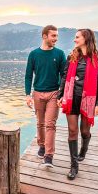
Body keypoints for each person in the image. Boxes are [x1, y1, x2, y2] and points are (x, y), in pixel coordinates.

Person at [57, 28, 98, 179]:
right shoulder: (72, 56)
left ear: (86, 38)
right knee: (72, 131)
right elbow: (65, 77)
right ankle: (73, 166)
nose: (74, 40)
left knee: (84, 131)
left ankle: (84, 149)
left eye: (77, 37)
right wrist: (60, 95)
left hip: (88, 100)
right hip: (71, 98)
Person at [25, 25, 67, 167]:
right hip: (37, 93)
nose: (56, 38)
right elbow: (28, 76)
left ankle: (49, 156)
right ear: (44, 36)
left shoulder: (60, 54)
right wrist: (27, 94)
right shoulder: (33, 54)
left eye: (57, 36)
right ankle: (41, 146)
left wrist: (62, 94)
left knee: (50, 124)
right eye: (53, 36)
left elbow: (64, 76)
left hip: (54, 93)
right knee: (40, 123)